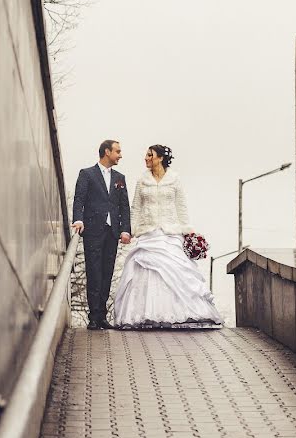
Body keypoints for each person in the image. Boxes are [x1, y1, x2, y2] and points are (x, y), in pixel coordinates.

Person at [113, 145, 223, 329]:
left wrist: (189, 233)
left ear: (160, 158)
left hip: (170, 233)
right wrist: (129, 230)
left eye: (150, 155)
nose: (146, 158)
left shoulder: (175, 179)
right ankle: (145, 314)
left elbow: (181, 207)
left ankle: (185, 313)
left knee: (176, 271)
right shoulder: (142, 180)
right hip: (148, 234)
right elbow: (136, 208)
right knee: (145, 272)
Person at [71, 140, 132, 330]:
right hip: (93, 231)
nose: (120, 155)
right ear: (107, 152)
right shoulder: (87, 174)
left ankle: (103, 315)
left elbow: (124, 206)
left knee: (107, 272)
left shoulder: (120, 178)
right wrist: (78, 220)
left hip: (112, 232)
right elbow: (79, 199)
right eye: (118, 151)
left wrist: (125, 229)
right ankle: (93, 317)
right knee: (94, 272)